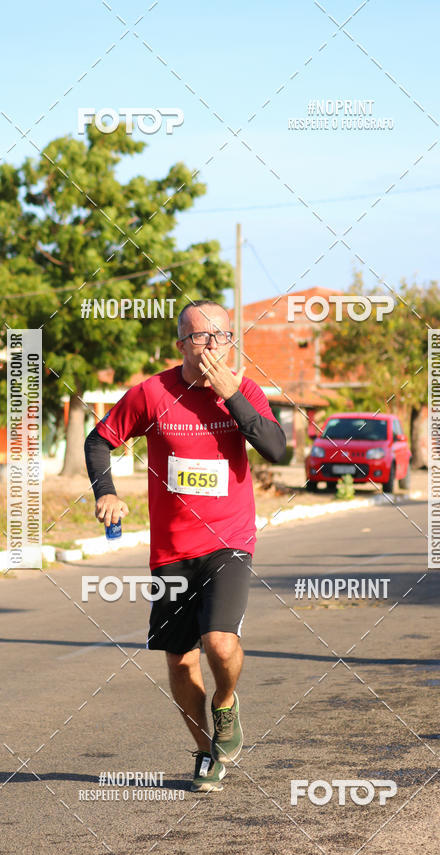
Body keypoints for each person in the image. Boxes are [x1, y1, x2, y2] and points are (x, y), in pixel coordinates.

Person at [84, 300, 286, 792]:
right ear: (182, 345)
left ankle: (226, 702)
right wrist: (106, 492)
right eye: (201, 336)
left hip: (229, 541)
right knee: (179, 658)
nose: (214, 344)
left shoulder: (246, 391)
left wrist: (232, 396)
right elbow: (98, 440)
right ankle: (204, 755)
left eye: (223, 335)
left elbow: (278, 450)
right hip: (172, 550)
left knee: (219, 641)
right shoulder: (153, 393)